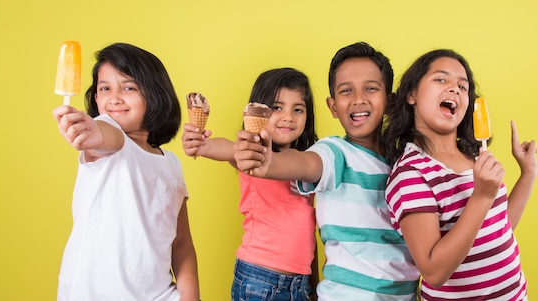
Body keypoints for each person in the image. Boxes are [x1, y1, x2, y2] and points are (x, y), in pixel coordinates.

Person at [233, 42, 420, 301]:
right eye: (346, 91)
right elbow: (305, 163)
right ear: (333, 106)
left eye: (370, 88)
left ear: (389, 101)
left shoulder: (403, 163)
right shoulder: (334, 152)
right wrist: (268, 163)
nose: (358, 99)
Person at [382, 49, 538, 300]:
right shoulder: (411, 174)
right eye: (441, 79)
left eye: (463, 87)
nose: (455, 89)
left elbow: (499, 227)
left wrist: (528, 173)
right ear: (412, 94)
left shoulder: (474, 156)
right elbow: (434, 271)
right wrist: (481, 197)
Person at [52, 43, 200, 301]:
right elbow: (104, 136)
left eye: (128, 87)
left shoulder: (172, 165)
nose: (114, 98)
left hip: (159, 295)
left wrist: (191, 297)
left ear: (155, 95)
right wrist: (89, 131)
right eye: (104, 88)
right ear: (96, 98)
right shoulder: (108, 135)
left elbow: (181, 243)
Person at [181, 67, 319, 301]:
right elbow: (227, 148)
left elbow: (307, 231)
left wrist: (313, 285)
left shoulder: (306, 164)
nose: (288, 116)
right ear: (259, 112)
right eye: (277, 107)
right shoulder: (250, 156)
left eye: (298, 109)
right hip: (259, 279)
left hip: (300, 282)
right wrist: (201, 144)